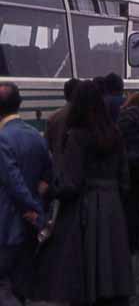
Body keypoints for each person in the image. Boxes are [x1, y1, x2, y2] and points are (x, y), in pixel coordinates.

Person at [28, 80, 133, 305]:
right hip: (112, 205)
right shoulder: (114, 133)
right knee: (110, 265)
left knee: (82, 271)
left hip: (85, 209)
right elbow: (125, 177)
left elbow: (71, 184)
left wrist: (49, 191)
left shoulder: (76, 135)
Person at [0, 82, 52, 306]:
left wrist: (34, 210)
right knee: (21, 283)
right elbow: (49, 175)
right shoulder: (35, 135)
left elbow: (14, 184)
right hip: (29, 227)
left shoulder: (2, 138)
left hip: (7, 224)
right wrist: (38, 215)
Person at [117, 91, 139, 252]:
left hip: (126, 163)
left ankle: (126, 240)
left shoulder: (123, 114)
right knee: (137, 204)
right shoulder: (137, 115)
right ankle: (133, 242)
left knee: (128, 203)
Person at [45, 77, 80, 167]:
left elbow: (48, 147)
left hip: (60, 170)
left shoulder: (53, 118)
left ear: (65, 95)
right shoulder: (87, 114)